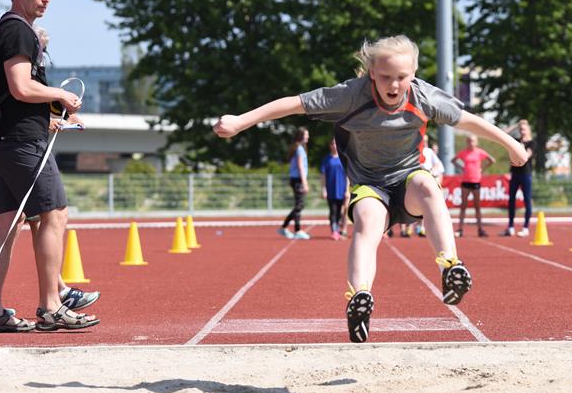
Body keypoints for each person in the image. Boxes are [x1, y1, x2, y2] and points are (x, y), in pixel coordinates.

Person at [213, 35, 527, 343]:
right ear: (372, 73)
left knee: (428, 186)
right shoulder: (351, 95)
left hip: (408, 179)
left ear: (413, 74)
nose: (394, 85)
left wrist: (511, 143)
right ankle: (359, 297)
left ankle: (450, 266)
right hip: (370, 185)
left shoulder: (423, 96)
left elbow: (466, 120)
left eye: (401, 77)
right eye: (386, 77)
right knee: (367, 222)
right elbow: (294, 104)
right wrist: (241, 121)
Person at [0, 0, 98, 332]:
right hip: (24, 142)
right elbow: (21, 87)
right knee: (55, 214)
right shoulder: (18, 31)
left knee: (5, 224)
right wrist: (60, 94)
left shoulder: (8, 29)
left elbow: (18, 93)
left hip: (8, 140)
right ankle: (52, 305)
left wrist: (52, 112)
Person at [451, 134, 496, 237]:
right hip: (466, 181)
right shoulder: (463, 152)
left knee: (477, 206)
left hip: (476, 181)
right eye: (469, 141)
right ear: (467, 142)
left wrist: (482, 169)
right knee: (463, 206)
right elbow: (453, 160)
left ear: (476, 142)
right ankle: (460, 229)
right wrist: (462, 168)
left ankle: (480, 229)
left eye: (473, 141)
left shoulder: (479, 152)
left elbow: (492, 160)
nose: (471, 143)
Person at [501, 119, 535, 237]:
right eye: (520, 129)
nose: (522, 131)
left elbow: (528, 155)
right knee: (511, 200)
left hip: (526, 174)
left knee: (527, 200)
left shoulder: (532, 143)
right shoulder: (516, 141)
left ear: (529, 129)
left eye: (524, 128)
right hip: (515, 174)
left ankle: (525, 228)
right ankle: (510, 227)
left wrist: (522, 150)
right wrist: (515, 126)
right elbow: (503, 134)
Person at [278, 127, 311, 240]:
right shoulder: (299, 149)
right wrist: (305, 183)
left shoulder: (297, 148)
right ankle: (291, 229)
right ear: (301, 136)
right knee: (299, 205)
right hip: (298, 180)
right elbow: (301, 167)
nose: (308, 137)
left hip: (296, 179)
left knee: (299, 205)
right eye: (306, 135)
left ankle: (292, 229)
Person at [320, 137, 349, 240]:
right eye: (332, 144)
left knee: (341, 212)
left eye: (336, 144)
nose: (334, 146)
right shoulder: (326, 159)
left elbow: (347, 175)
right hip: (331, 190)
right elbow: (323, 176)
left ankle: (339, 229)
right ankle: (334, 231)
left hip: (342, 190)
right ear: (330, 145)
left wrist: (347, 190)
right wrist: (323, 189)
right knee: (333, 211)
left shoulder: (344, 158)